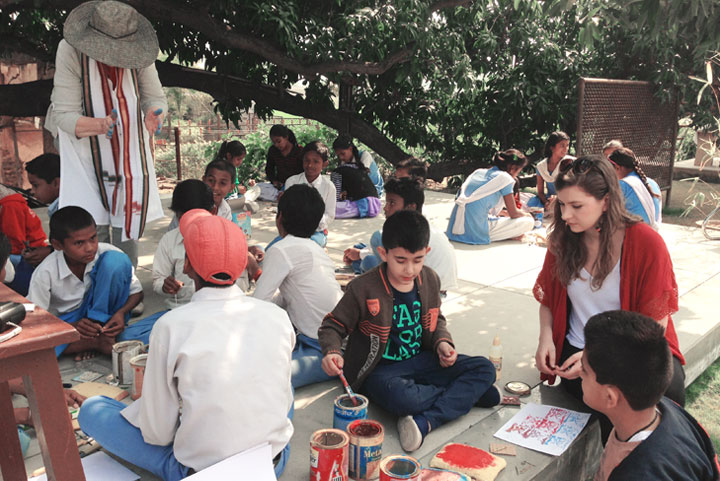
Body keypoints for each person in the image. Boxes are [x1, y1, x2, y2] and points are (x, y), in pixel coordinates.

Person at [78, 209, 295, 480]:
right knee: (282, 388)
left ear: (187, 265)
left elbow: (158, 434)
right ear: (244, 264)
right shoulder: (277, 316)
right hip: (270, 461)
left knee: (92, 410)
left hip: (203, 472)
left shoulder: (171, 326)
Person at [533, 155, 686, 440]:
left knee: (659, 402)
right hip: (576, 354)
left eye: (576, 206)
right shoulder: (562, 240)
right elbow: (549, 301)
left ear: (605, 201)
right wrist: (546, 338)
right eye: (562, 204)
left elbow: (655, 325)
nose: (565, 215)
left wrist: (593, 357)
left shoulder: (646, 243)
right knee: (606, 406)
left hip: (633, 351)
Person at [320, 210, 499, 453]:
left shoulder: (430, 279)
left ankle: (426, 421)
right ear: (383, 253)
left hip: (421, 360)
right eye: (401, 260)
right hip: (379, 372)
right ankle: (464, 395)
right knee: (407, 399)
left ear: (427, 252)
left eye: (417, 260)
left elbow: (437, 319)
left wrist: (442, 343)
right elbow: (333, 325)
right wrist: (332, 351)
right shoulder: (363, 287)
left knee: (485, 368)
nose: (410, 269)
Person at [45, 1, 168, 268]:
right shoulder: (70, 49)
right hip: (82, 146)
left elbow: (155, 98)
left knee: (128, 222)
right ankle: (91, 281)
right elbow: (64, 114)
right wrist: (101, 126)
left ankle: (126, 281)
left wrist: (154, 115)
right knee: (90, 226)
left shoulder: (140, 52)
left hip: (128, 148)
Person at [581, 310, 719, 481]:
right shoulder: (665, 408)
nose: (579, 374)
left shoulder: (641, 473)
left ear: (610, 397)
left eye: (584, 371)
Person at [27, 206, 155, 359]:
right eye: (79, 243)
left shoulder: (107, 252)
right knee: (35, 343)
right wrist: (74, 326)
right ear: (58, 245)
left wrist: (120, 313)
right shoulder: (45, 272)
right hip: (68, 322)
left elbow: (137, 293)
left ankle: (98, 335)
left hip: (108, 317)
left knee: (116, 261)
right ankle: (94, 342)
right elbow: (35, 321)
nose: (89, 248)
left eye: (93, 238)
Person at [253, 184, 343, 388]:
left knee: (263, 377)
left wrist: (253, 270)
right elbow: (288, 296)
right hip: (335, 337)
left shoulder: (280, 250)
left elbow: (258, 305)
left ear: (280, 218)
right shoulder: (316, 249)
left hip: (323, 347)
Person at [344, 177, 458, 291]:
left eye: (392, 203)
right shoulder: (422, 223)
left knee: (370, 256)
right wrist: (361, 253)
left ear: (410, 207)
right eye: (386, 202)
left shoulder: (408, 230)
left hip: (423, 291)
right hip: (438, 287)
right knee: (364, 248)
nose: (385, 208)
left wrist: (361, 255)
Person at [447, 149, 534, 244]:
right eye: (519, 171)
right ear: (513, 168)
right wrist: (527, 215)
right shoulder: (505, 179)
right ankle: (509, 234)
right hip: (476, 232)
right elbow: (514, 213)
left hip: (453, 229)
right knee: (528, 222)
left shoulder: (478, 172)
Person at [152, 180, 214, 308]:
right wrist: (165, 286)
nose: (190, 224)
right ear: (177, 215)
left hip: (215, 309)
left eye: (197, 218)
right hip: (179, 308)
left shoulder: (224, 241)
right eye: (183, 218)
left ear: (213, 212)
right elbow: (158, 279)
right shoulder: (169, 240)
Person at [282, 141, 337, 248]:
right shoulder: (292, 181)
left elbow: (329, 215)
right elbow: (286, 210)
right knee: (273, 248)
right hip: (293, 231)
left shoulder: (329, 187)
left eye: (316, 161)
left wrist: (312, 222)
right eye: (306, 160)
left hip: (317, 232)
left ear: (325, 164)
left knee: (307, 247)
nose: (310, 165)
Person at [166, 159, 234, 230]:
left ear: (231, 187)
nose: (215, 187)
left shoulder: (225, 210)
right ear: (204, 180)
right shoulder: (188, 206)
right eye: (211, 180)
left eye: (222, 183)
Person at [609, 147, 662, 230]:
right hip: (653, 232)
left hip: (635, 232)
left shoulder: (623, 184)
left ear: (617, 168)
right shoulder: (652, 183)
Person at [331, 137, 381, 219]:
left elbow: (335, 198)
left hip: (369, 198)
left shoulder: (364, 155)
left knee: (329, 207)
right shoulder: (348, 166)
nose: (341, 158)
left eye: (342, 153)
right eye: (338, 155)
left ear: (350, 149)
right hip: (375, 203)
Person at [527, 131, 571, 211]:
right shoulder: (541, 166)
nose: (566, 149)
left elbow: (573, 189)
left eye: (567, 145)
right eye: (562, 146)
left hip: (566, 199)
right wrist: (546, 203)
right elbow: (540, 192)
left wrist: (558, 200)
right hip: (550, 199)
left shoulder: (569, 163)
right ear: (552, 147)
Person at [259, 125, 303, 201]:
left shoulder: (299, 151)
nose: (276, 145)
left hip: (296, 186)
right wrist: (274, 181)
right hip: (279, 187)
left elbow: (303, 173)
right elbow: (269, 169)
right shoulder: (273, 150)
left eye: (279, 141)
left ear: (286, 137)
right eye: (274, 142)